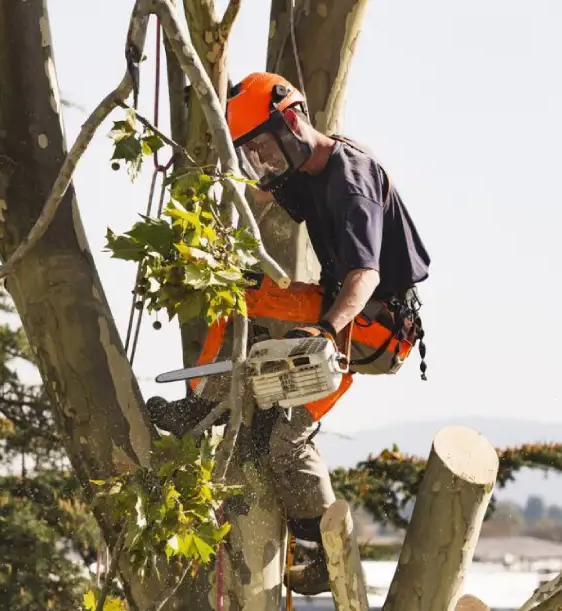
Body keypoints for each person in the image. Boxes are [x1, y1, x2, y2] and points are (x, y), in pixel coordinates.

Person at [145, 71, 431, 595]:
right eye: (251, 151)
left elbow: (364, 275)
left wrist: (323, 330)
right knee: (247, 311)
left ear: (292, 120)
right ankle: (206, 409)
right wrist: (207, 236)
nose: (262, 159)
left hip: (375, 326)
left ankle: (209, 410)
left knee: (276, 399)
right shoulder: (301, 170)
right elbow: (257, 197)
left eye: (262, 146)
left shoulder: (350, 179)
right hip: (339, 314)